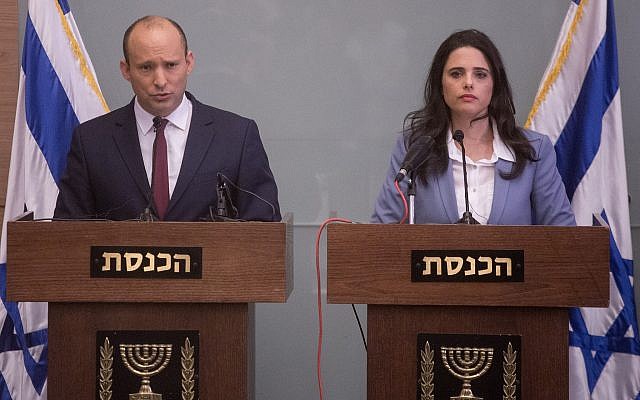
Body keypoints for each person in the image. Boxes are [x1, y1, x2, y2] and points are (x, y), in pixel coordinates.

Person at [54, 15, 280, 222]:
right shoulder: (91, 140)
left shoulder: (236, 136)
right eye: (146, 67)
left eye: (170, 65)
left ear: (188, 63)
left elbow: (263, 228)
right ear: (126, 70)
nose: (160, 80)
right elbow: (69, 234)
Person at [371, 29, 574, 225]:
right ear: (441, 85)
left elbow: (565, 238)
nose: (468, 83)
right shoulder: (414, 147)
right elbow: (382, 231)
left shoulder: (534, 150)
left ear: (495, 85)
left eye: (480, 74)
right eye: (456, 74)